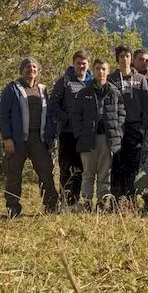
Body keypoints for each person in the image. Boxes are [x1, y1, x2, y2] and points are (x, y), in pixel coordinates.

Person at [0, 57, 58, 217]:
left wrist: (51, 137)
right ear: (22, 70)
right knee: (14, 174)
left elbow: (50, 115)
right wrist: (7, 138)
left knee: (46, 173)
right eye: (27, 67)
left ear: (38, 71)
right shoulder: (12, 89)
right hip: (17, 140)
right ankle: (13, 208)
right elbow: (4, 115)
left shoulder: (42, 90)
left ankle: (51, 206)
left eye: (34, 67)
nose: (31, 69)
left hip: (39, 139)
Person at [72, 58, 126, 211]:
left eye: (103, 69)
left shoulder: (115, 92)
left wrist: (118, 133)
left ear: (108, 71)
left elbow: (122, 113)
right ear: (93, 71)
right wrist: (80, 134)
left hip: (107, 139)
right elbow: (76, 116)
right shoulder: (84, 92)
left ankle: (102, 203)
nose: (101, 72)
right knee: (88, 174)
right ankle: (87, 202)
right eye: (97, 69)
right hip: (88, 139)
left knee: (104, 174)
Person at [49, 50, 92, 206]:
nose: (81, 66)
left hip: (85, 134)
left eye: (84, 63)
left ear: (88, 65)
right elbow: (53, 104)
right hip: (67, 133)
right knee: (66, 167)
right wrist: (67, 119)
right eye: (78, 63)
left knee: (82, 168)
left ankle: (76, 200)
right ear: (73, 64)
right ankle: (66, 201)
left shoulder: (92, 81)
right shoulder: (65, 81)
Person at [108, 45, 148, 201]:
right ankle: (116, 198)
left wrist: (142, 127)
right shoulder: (111, 78)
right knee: (117, 163)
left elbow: (147, 105)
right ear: (117, 59)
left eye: (127, 56)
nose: (124, 59)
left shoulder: (140, 79)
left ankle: (130, 197)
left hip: (135, 128)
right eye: (121, 56)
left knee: (133, 164)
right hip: (117, 128)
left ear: (131, 59)